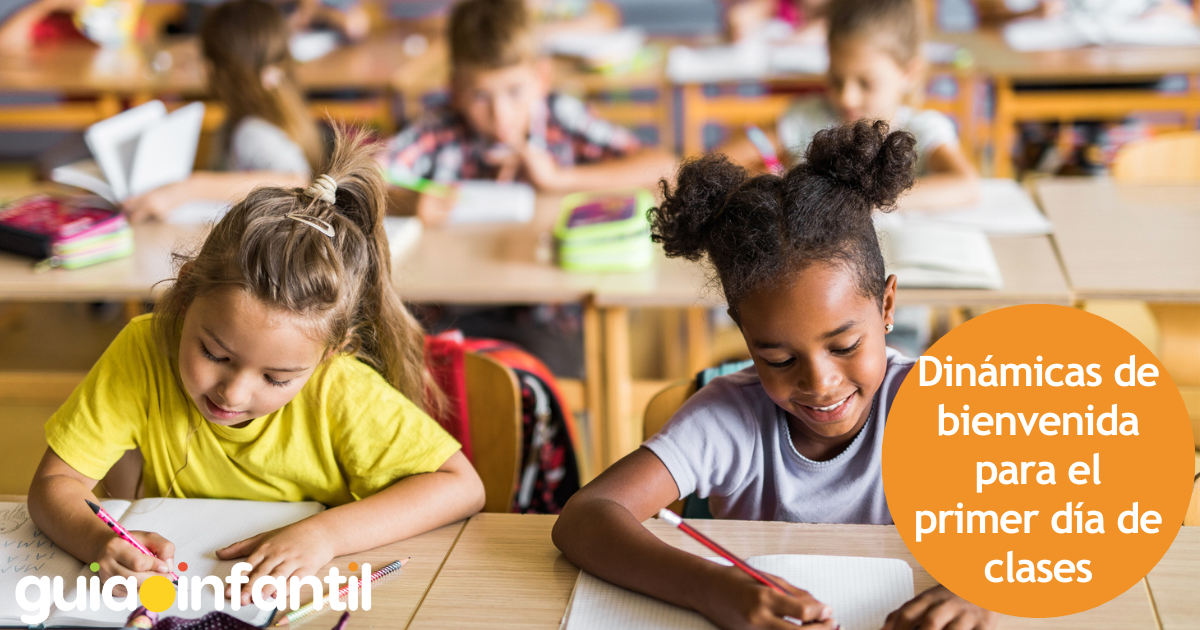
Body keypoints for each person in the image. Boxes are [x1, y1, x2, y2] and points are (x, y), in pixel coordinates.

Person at [553, 120, 999, 630]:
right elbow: (586, 516)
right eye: (779, 359)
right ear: (745, 337)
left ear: (887, 305)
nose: (820, 382)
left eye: (845, 345)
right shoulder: (729, 417)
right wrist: (711, 587)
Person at [28, 127, 486, 600]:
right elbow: (55, 484)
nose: (234, 393)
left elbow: (461, 486)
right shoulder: (143, 349)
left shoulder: (340, 387)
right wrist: (99, 539)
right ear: (184, 295)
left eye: (276, 378)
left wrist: (324, 536)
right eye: (215, 355)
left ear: (331, 352)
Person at [380, 0, 675, 225]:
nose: (500, 113)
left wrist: (559, 178)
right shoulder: (437, 130)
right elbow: (354, 182)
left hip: (552, 298)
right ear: (455, 90)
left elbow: (666, 168)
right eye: (481, 95)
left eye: (515, 91)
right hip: (460, 301)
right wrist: (403, 202)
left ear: (541, 79)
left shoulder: (561, 118)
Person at [724, 0, 979, 211]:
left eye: (866, 83)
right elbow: (723, 163)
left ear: (909, 73)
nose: (847, 98)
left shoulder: (923, 129)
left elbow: (966, 185)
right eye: (835, 79)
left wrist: (865, 200)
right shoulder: (806, 117)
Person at [124, 0, 325, 222]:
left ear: (210, 68)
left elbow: (298, 183)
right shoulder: (281, 105)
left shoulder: (252, 131)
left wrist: (189, 188)